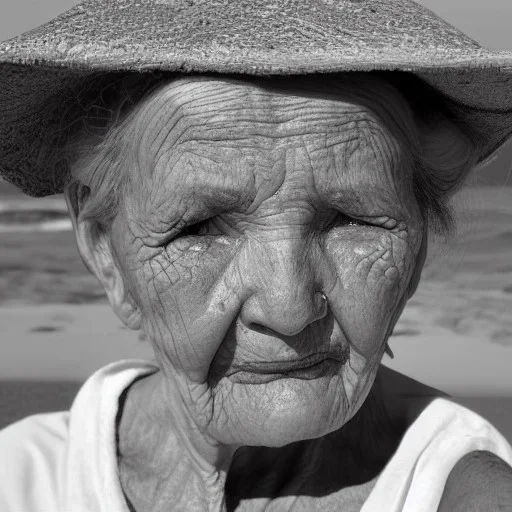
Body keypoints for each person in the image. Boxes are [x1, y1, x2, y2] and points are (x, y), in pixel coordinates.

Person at [1, 1, 512, 511]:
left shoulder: (469, 495)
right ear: (106, 255)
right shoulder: (20, 477)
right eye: (199, 227)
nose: (288, 310)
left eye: (351, 219)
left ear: (415, 251)